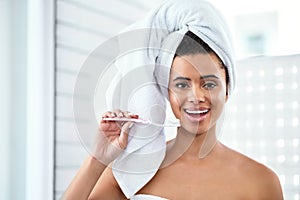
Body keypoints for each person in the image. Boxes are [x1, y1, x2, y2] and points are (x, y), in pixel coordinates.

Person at [62, 1, 284, 199]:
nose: (196, 96)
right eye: (181, 85)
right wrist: (97, 160)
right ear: (166, 91)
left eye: (209, 84)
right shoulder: (132, 173)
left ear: (227, 89)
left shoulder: (260, 183)